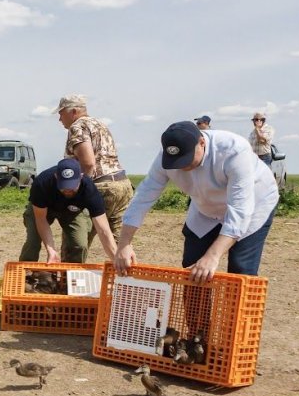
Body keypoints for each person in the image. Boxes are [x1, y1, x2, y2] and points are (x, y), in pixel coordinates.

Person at [116, 121, 278, 282]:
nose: (182, 167)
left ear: (202, 143)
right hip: (205, 208)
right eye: (177, 162)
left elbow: (240, 211)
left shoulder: (233, 150)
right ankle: (197, 309)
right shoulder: (166, 158)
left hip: (254, 204)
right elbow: (143, 196)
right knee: (192, 268)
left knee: (240, 270)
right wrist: (124, 244)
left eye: (186, 159)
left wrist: (212, 256)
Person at [54, 94, 134, 242]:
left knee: (76, 241)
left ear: (73, 112)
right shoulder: (100, 124)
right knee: (120, 243)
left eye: (61, 114)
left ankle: (71, 266)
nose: (60, 119)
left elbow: (88, 163)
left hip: (101, 186)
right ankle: (124, 264)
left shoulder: (77, 127)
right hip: (122, 185)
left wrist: (81, 191)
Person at [19, 157, 118, 264]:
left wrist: (116, 258)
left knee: (79, 244)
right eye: (64, 186)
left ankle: (69, 275)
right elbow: (41, 219)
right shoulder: (42, 183)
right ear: (56, 177)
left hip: (72, 211)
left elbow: (103, 229)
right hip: (43, 210)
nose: (68, 190)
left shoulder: (89, 189)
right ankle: (26, 274)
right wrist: (51, 250)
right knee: (33, 241)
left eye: (72, 186)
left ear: (81, 177)